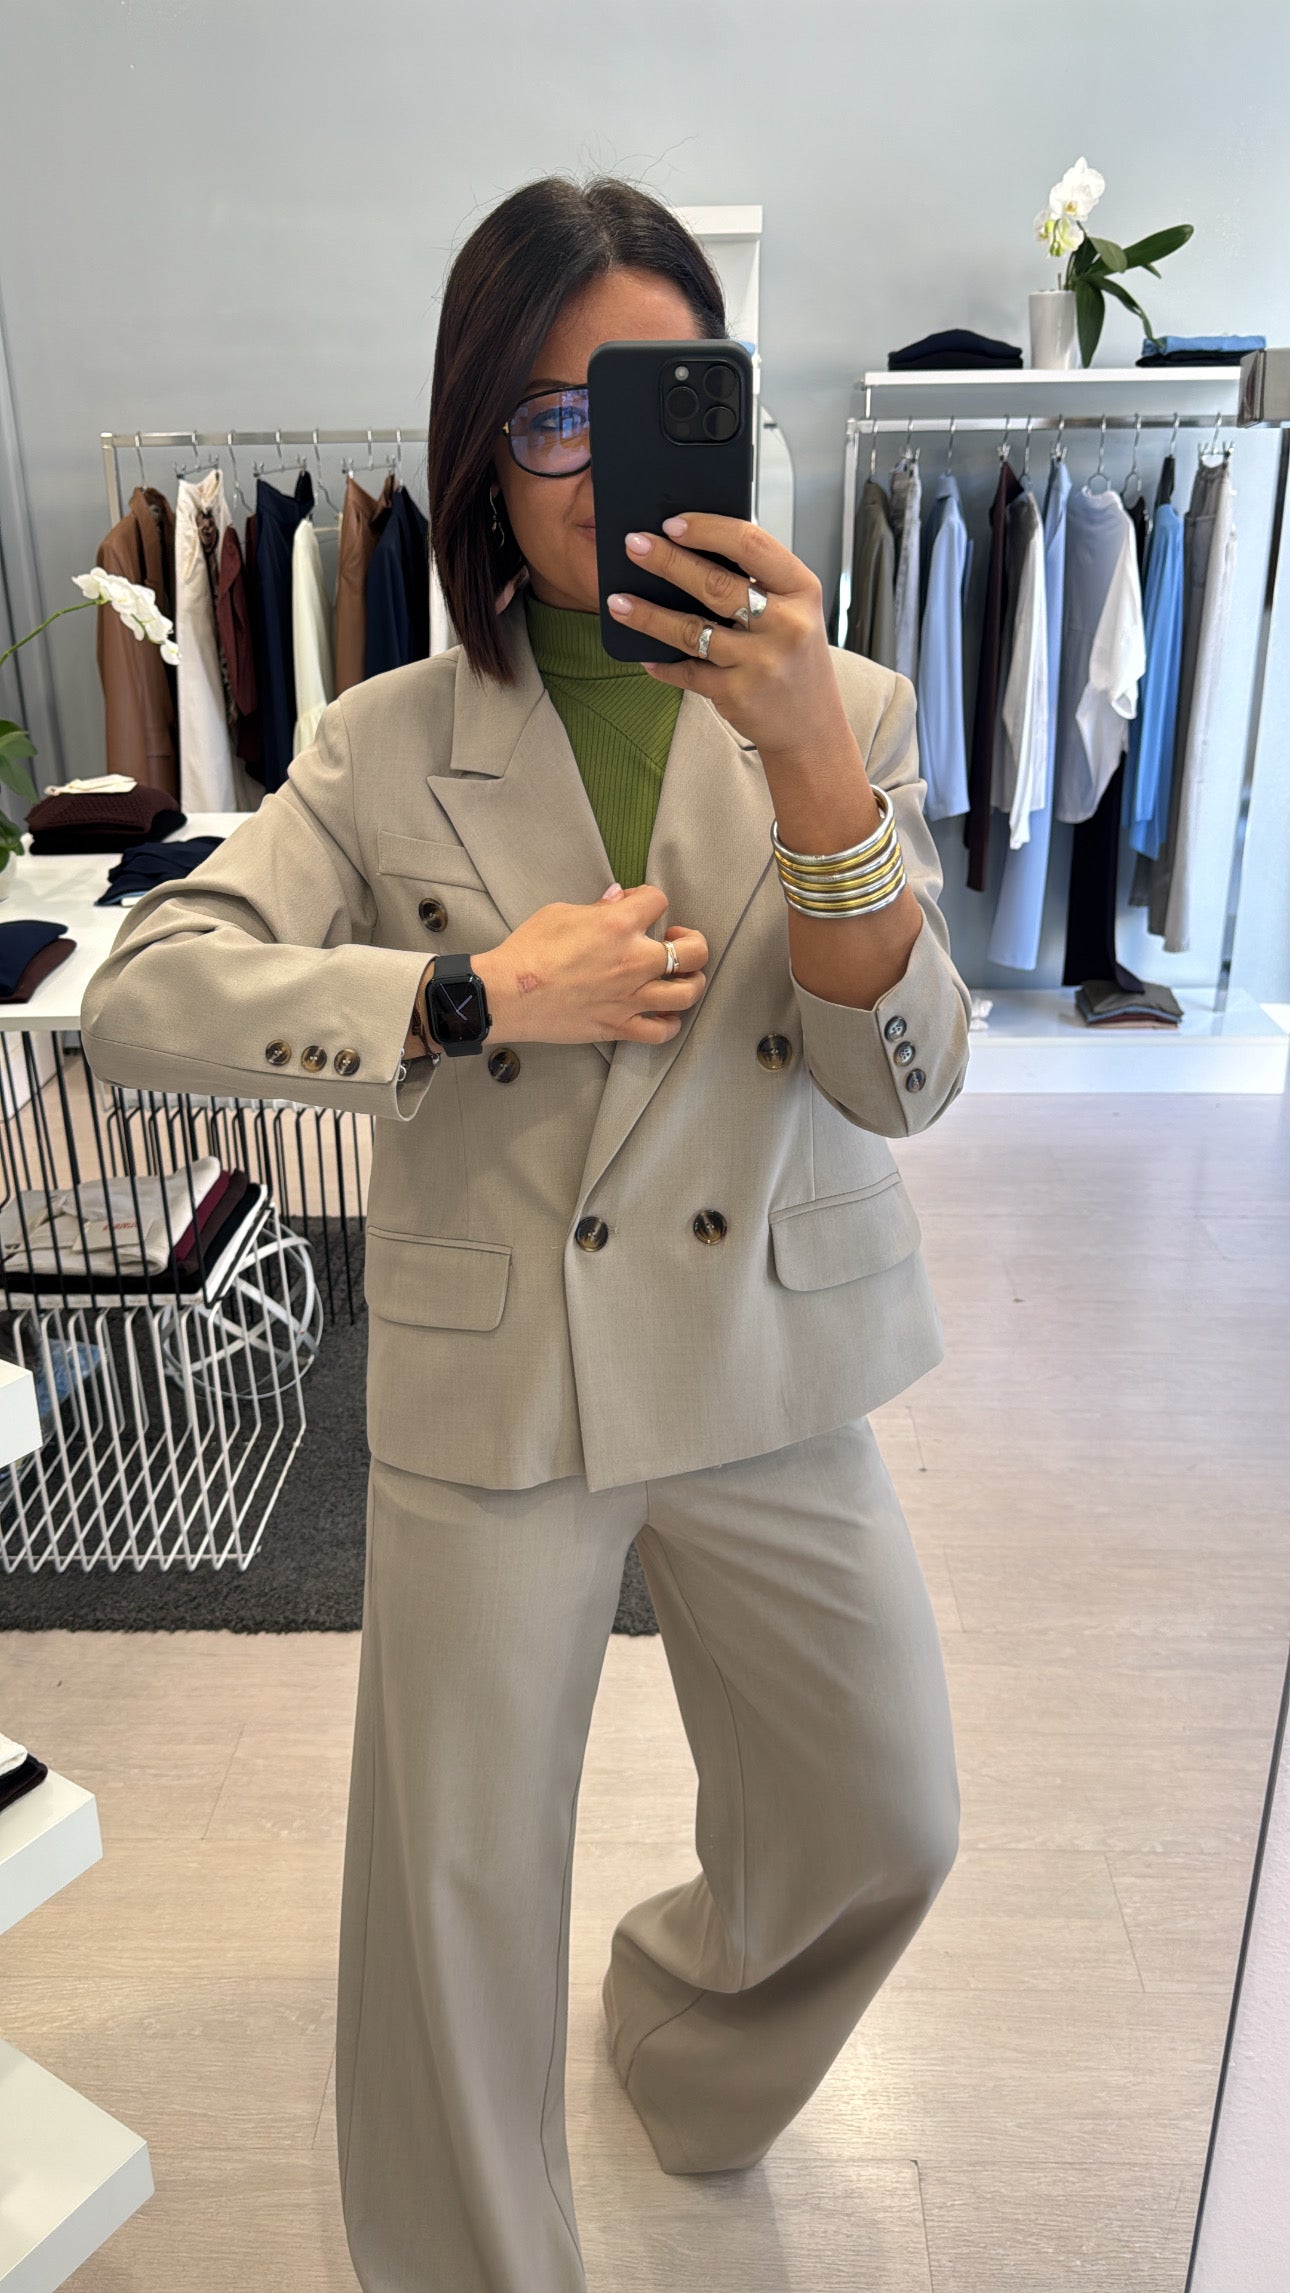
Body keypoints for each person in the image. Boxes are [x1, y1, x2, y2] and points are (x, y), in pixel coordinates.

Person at [80, 174, 972, 2293]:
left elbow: (907, 1082)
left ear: (722, 415)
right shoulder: (383, 737)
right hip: (502, 1385)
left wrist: (812, 773)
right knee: (457, 1904)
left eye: (651, 401)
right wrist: (471, 994)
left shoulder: (843, 702)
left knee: (883, 1817)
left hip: (765, 1350)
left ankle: (683, 2033)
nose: (596, 464)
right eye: (550, 417)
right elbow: (143, 998)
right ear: (481, 446)